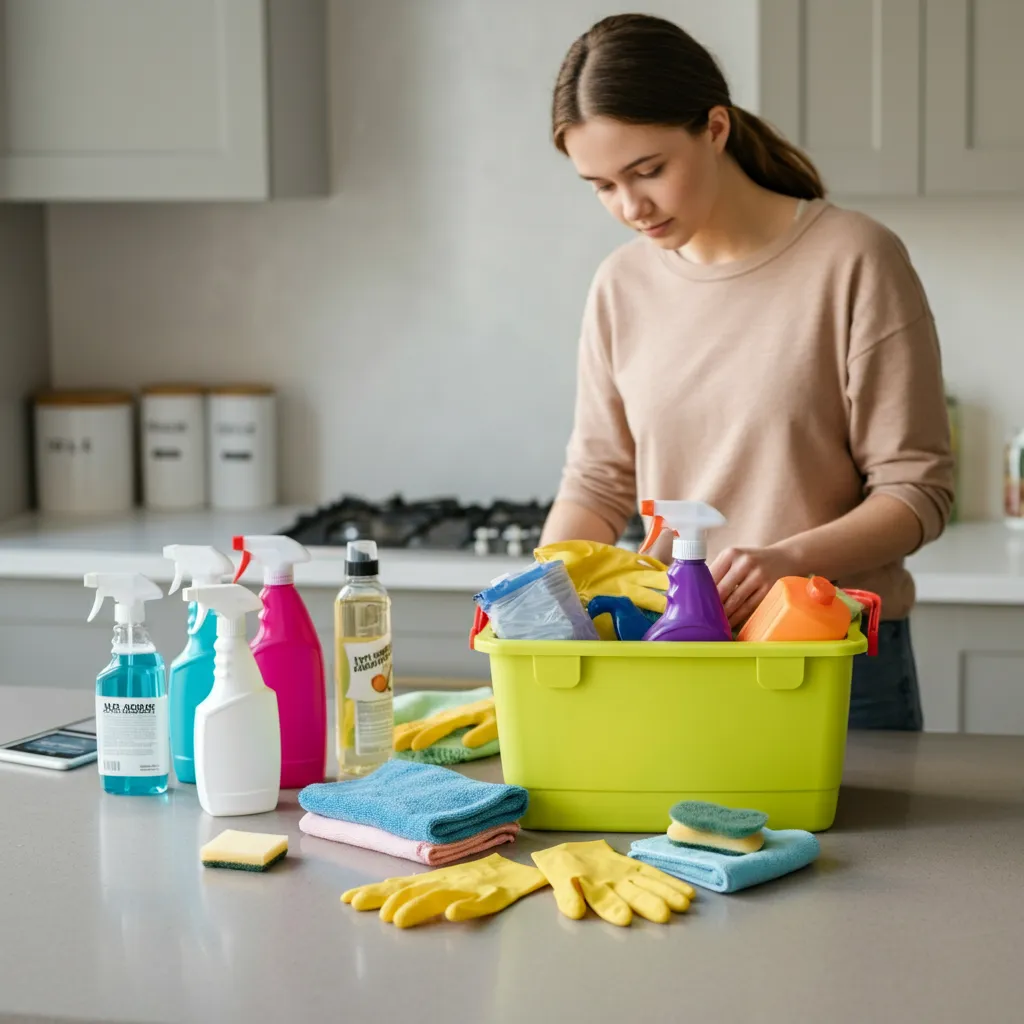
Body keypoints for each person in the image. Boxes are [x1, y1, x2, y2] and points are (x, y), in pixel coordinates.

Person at [540, 14, 954, 730]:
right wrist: (539, 598)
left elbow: (918, 491)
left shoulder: (855, 260)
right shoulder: (620, 284)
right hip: (672, 662)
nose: (630, 207)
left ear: (716, 128)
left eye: (648, 171)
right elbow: (601, 480)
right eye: (601, 185)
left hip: (831, 662)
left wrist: (787, 560)